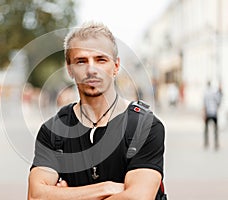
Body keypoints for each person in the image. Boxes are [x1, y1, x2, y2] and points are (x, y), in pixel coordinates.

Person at [28, 22, 166, 199]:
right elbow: (36, 196)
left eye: (101, 60)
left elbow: (137, 197)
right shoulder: (53, 131)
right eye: (81, 61)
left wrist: (64, 195)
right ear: (70, 69)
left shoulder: (144, 126)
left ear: (116, 66)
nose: (91, 69)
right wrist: (107, 188)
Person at [203, 81, 221, 150]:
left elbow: (204, 104)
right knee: (215, 128)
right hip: (214, 112)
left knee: (206, 129)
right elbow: (218, 102)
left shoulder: (205, 93)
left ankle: (206, 142)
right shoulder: (214, 93)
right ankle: (216, 143)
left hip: (208, 112)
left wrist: (204, 113)